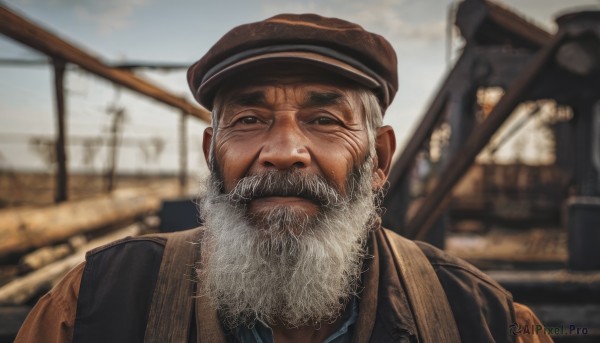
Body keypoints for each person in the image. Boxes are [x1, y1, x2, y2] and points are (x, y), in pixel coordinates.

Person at [15, 13, 551, 343]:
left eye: (324, 120)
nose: (285, 152)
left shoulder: (487, 323)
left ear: (380, 159)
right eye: (249, 120)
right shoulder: (91, 306)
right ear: (211, 155)